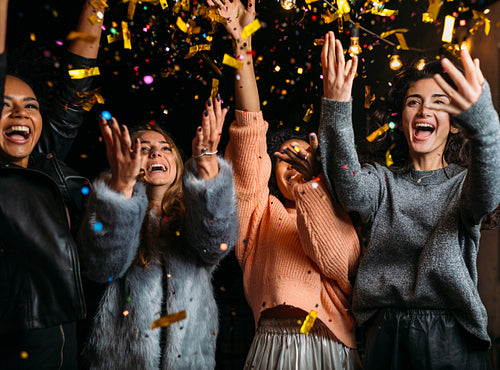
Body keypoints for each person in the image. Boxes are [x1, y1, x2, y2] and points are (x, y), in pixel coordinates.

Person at [319, 30, 500, 368]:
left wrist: (484, 124)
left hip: (451, 336)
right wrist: (337, 106)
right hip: (386, 333)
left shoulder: (463, 184)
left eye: (438, 102)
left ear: (457, 125)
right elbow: (349, 187)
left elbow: (487, 193)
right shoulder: (383, 181)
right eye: (413, 101)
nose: (423, 110)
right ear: (402, 121)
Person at [208, 0, 361, 368]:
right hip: (272, 347)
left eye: (303, 156)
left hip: (331, 347)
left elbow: (339, 263)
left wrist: (313, 186)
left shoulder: (344, 211)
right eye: (285, 156)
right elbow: (248, 134)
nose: (294, 161)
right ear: (270, 169)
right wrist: (241, 43)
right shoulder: (260, 213)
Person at [76, 96, 239, 369]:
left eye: (165, 148)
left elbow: (217, 244)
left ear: (175, 160)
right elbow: (102, 266)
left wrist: (209, 167)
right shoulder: (105, 207)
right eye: (144, 148)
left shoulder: (194, 213)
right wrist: (121, 192)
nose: (156, 153)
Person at [0, 0, 105, 368]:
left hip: (61, 340)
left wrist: (96, 4)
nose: (20, 114)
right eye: (5, 104)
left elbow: (77, 86)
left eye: (31, 106)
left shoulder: (46, 163)